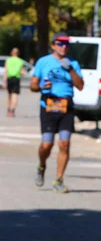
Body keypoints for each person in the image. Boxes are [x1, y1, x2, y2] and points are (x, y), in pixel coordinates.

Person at [30, 32, 84, 193]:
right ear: (53, 45)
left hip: (66, 106)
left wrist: (71, 70)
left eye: (66, 44)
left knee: (64, 143)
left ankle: (59, 179)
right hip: (48, 106)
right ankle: (41, 166)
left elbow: (80, 85)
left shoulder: (73, 63)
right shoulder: (43, 62)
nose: (64, 46)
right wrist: (41, 86)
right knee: (47, 144)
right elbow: (32, 85)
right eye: (60, 43)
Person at [2, 48, 25, 117]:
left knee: (9, 95)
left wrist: (4, 82)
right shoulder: (20, 61)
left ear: (11, 53)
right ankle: (12, 110)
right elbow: (22, 73)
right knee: (15, 95)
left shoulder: (8, 60)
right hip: (16, 79)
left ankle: (8, 109)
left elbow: (5, 71)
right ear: (18, 53)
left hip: (9, 78)